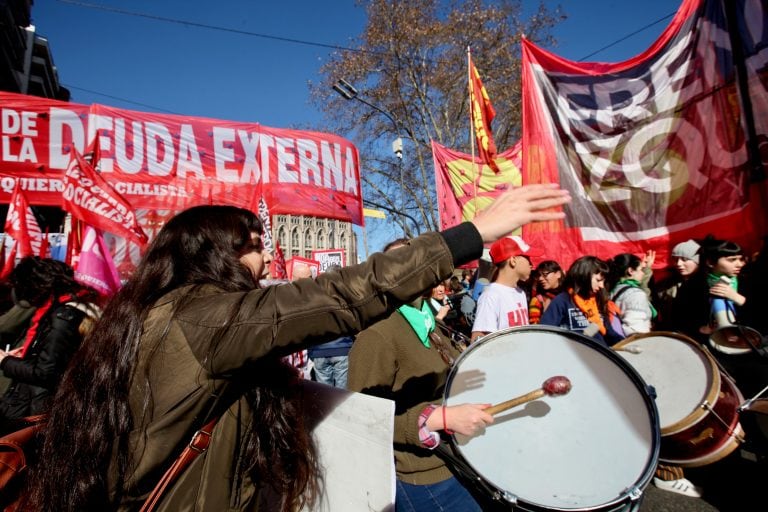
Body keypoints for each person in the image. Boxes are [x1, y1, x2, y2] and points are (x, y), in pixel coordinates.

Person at [22, 185, 570, 511]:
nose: (265, 261)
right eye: (254, 248)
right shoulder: (203, 317)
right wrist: (471, 234)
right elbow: (339, 297)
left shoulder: (160, 313)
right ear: (213, 254)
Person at [348, 239, 491, 512]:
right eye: (402, 261)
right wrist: (438, 418)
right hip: (422, 478)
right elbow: (362, 419)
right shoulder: (377, 336)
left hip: (457, 462)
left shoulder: (431, 322)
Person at [0, 257, 99, 434]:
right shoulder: (62, 309)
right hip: (33, 405)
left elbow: (46, 372)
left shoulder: (63, 316)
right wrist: (26, 357)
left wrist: (5, 361)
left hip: (37, 410)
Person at [540, 256, 624, 346]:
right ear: (584, 276)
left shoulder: (599, 301)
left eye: (603, 282)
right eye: (598, 280)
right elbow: (545, 333)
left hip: (599, 356)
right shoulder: (563, 300)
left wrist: (628, 342)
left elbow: (610, 334)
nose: (601, 286)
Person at [470, 236, 535, 341]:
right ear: (513, 260)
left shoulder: (521, 293)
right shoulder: (491, 295)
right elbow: (478, 339)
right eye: (527, 258)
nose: (532, 265)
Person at [654, 239, 700, 330]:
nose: (678, 264)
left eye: (685, 259)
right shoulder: (665, 284)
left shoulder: (707, 285)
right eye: (675, 259)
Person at [608, 253, 656, 335]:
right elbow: (636, 330)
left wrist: (647, 268)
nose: (643, 273)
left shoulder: (612, 288)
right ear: (630, 271)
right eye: (641, 269)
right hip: (634, 344)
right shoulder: (636, 294)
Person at [528, 260, 563, 324]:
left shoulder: (570, 296)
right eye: (539, 275)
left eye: (545, 274)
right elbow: (535, 327)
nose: (540, 278)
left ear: (558, 274)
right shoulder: (538, 300)